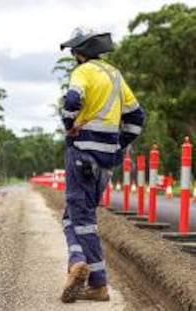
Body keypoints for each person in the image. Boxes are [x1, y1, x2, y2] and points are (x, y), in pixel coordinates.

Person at [59, 27, 145, 303]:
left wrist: (69, 124)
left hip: (82, 154)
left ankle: (95, 281)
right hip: (106, 163)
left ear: (80, 53)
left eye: (74, 51)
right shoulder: (115, 75)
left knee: (81, 220)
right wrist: (118, 146)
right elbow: (136, 118)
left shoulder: (83, 72)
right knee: (74, 216)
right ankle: (77, 265)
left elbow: (72, 101)